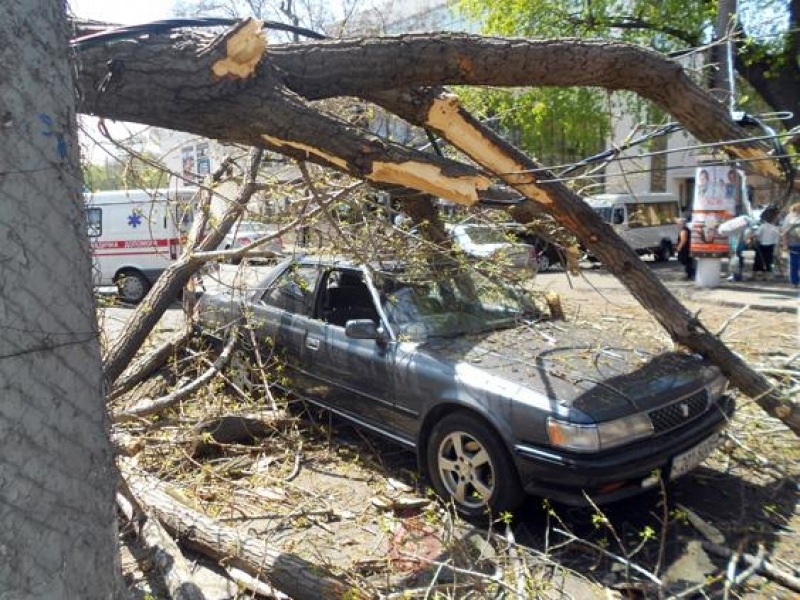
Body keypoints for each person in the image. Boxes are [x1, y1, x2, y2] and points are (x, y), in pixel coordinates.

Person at [751, 214, 781, 280]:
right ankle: (765, 276)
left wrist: (752, 236)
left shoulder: (763, 226)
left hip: (761, 245)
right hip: (771, 246)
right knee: (768, 261)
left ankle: (753, 276)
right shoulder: (775, 228)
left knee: (758, 260)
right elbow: (777, 239)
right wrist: (776, 248)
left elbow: (757, 234)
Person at [782, 202, 800, 287]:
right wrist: (785, 244)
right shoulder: (789, 217)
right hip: (793, 244)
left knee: (795, 263)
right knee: (794, 264)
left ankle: (796, 282)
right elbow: (785, 232)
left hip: (794, 244)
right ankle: (795, 282)